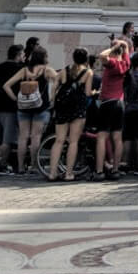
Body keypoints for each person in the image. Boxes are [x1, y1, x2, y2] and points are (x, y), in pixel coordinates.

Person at [3, 48, 57, 175]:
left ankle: (21, 167)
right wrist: (52, 97)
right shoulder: (47, 70)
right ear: (44, 57)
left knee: (23, 137)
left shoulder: (24, 70)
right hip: (40, 107)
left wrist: (15, 99)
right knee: (36, 137)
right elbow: (60, 80)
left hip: (23, 107)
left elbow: (6, 85)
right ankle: (34, 165)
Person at [47, 47, 94, 182]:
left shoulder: (65, 70)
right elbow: (87, 92)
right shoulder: (88, 72)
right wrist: (94, 92)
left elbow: (55, 84)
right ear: (86, 59)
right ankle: (68, 173)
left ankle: (52, 173)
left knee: (59, 140)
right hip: (77, 109)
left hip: (62, 108)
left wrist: (53, 98)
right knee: (73, 142)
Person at [94, 39, 131, 180]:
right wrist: (123, 45)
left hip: (107, 102)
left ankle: (99, 171)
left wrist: (114, 47)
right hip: (119, 103)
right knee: (117, 138)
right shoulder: (125, 64)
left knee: (102, 137)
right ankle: (115, 169)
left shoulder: (112, 64)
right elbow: (127, 49)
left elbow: (102, 56)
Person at [0, 44, 24, 174]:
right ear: (18, 55)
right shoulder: (19, 69)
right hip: (10, 108)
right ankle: (2, 164)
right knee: (7, 140)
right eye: (22, 55)